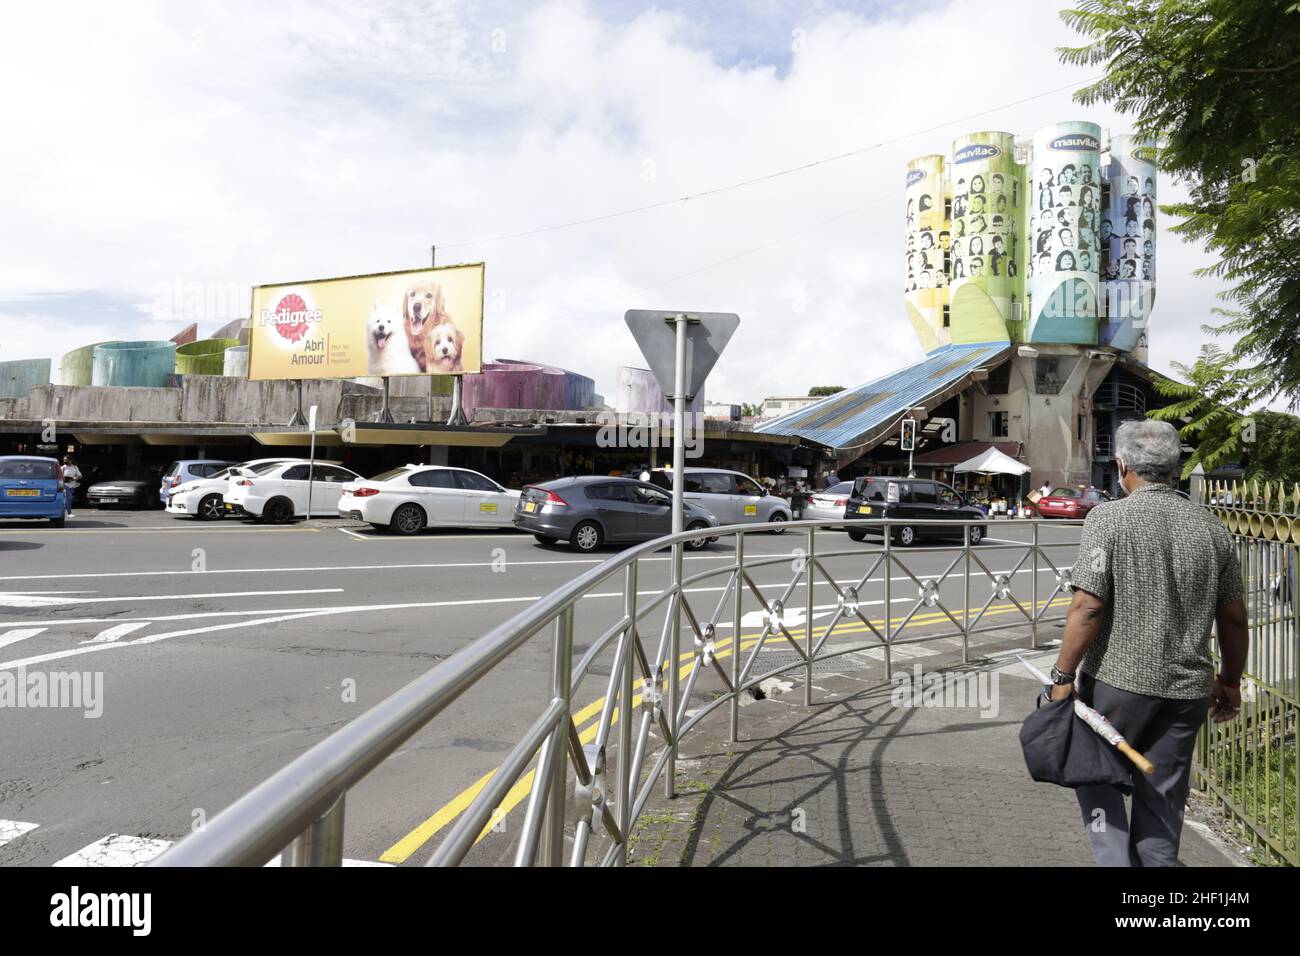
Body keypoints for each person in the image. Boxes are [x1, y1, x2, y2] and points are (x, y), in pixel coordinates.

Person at [1046, 420, 1248, 867]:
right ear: (1175, 467)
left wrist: (1061, 677)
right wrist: (1229, 682)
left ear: (1122, 467)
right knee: (1162, 804)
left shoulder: (1109, 518)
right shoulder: (1212, 528)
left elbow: (1088, 607)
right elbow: (1233, 617)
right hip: (1186, 694)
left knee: (1096, 778)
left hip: (1117, 687)